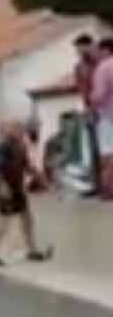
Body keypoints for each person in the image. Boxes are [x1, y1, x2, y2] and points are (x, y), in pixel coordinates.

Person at [0, 121, 52, 266]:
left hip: (16, 187)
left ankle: (32, 250)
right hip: (4, 186)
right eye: (16, 128)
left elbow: (27, 166)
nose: (20, 131)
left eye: (21, 129)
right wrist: (2, 185)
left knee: (27, 219)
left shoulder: (21, 146)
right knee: (3, 222)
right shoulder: (3, 147)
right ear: (9, 130)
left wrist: (40, 179)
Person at [73, 33, 102, 196]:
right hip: (89, 109)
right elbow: (80, 89)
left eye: (80, 47)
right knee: (92, 149)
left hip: (103, 108)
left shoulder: (100, 63)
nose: (78, 51)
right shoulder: (79, 67)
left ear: (90, 46)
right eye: (77, 49)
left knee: (105, 149)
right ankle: (97, 184)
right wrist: (84, 108)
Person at [91, 36, 113, 199]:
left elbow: (99, 95)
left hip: (108, 116)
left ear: (105, 50)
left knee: (107, 155)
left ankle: (108, 190)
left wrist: (91, 102)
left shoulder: (103, 68)